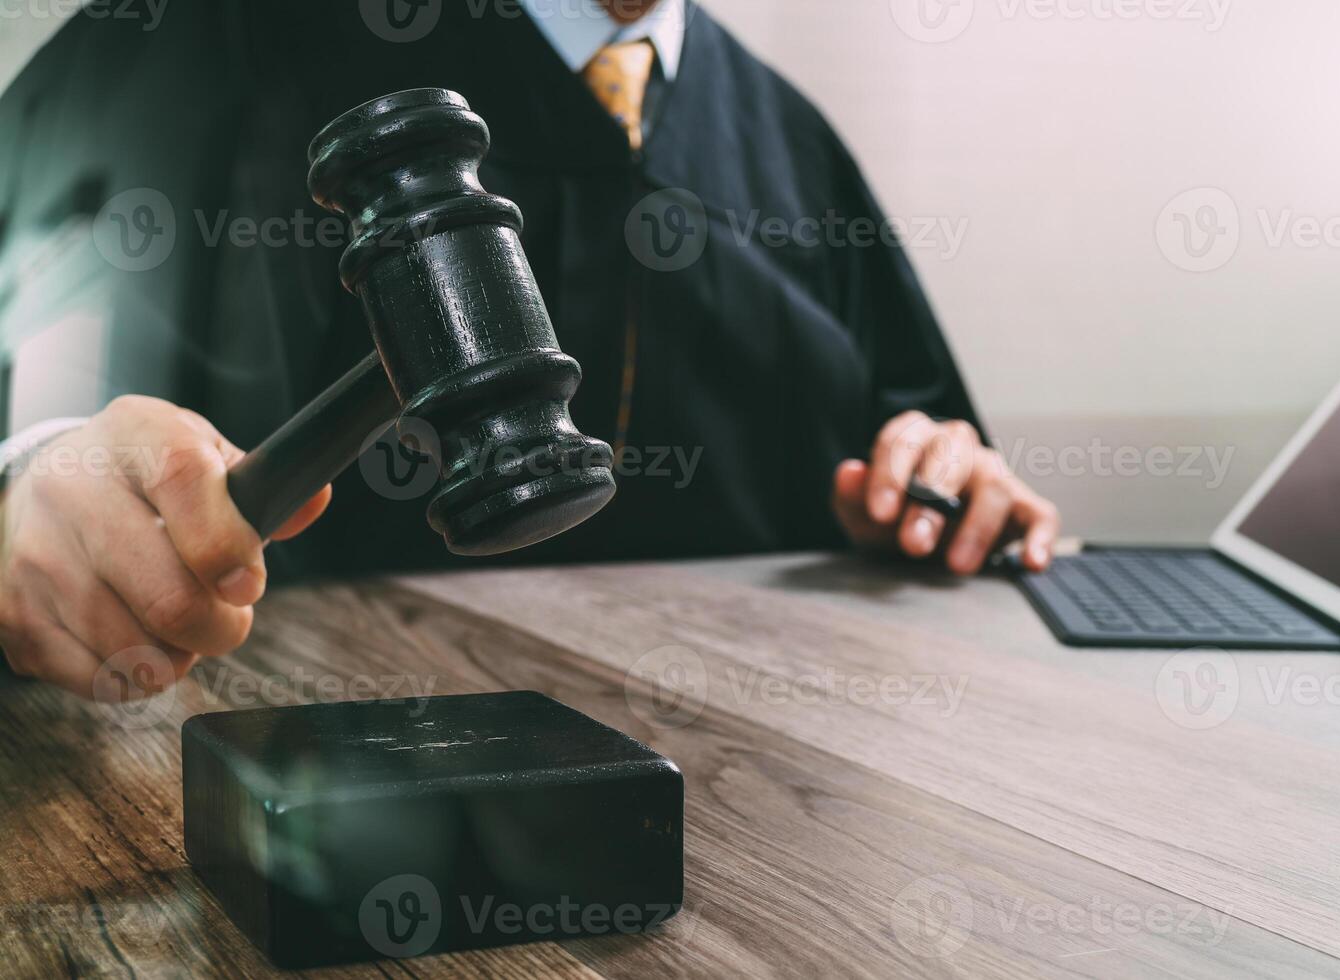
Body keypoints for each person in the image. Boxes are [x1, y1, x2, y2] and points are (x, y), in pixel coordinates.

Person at [0, 0, 1059, 700]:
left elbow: (913, 454)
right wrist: (29, 486)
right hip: (287, 794)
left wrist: (929, 488)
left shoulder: (795, 144)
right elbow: (46, 424)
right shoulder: (207, 34)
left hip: (750, 832)